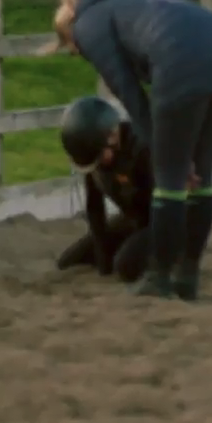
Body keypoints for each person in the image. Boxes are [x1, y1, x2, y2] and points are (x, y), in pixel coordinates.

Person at [41, 0, 212, 301]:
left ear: (71, 29)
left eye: (71, 47)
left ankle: (160, 277)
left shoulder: (89, 24)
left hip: (179, 59)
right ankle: (188, 275)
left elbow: (130, 95)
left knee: (169, 178)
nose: (77, 51)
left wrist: (159, 147)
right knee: (202, 175)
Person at [54, 95, 152, 283]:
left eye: (99, 158)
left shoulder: (142, 150)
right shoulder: (96, 159)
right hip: (133, 219)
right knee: (68, 262)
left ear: (113, 136)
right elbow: (95, 208)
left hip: (164, 220)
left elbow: (165, 203)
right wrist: (103, 262)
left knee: (125, 267)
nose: (98, 165)